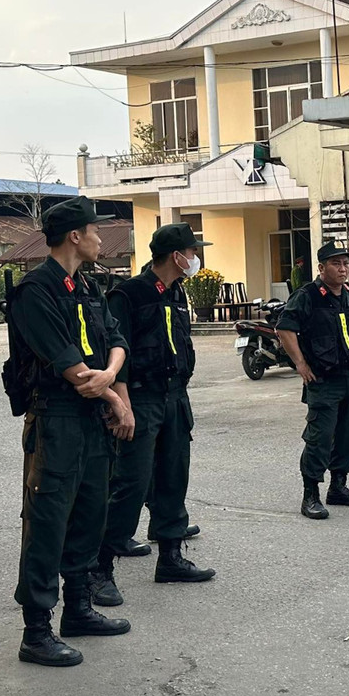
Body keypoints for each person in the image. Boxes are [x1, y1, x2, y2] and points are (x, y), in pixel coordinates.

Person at [8, 197, 134, 668]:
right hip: (57, 418)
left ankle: (78, 609)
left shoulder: (87, 285)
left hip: (91, 418)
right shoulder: (35, 291)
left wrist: (110, 378)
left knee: (89, 514)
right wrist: (112, 396)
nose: (101, 238)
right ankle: (36, 632)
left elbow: (116, 340)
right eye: (95, 231)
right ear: (75, 236)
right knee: (47, 522)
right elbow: (69, 366)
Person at [89, 224, 215, 610]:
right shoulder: (129, 294)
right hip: (141, 399)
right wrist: (122, 404)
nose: (195, 258)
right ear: (176, 256)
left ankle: (171, 557)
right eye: (191, 252)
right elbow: (117, 350)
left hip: (174, 396)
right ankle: (99, 569)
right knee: (130, 483)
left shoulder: (176, 292)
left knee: (173, 477)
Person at [276, 242, 349, 520]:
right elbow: (285, 328)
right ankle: (311, 495)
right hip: (324, 380)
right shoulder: (307, 296)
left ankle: (338, 487)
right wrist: (300, 363)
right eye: (336, 264)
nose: (343, 269)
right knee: (319, 438)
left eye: (346, 264)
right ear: (321, 268)